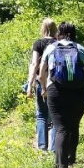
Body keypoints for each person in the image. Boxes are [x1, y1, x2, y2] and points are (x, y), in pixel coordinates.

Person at [39, 22, 84, 168]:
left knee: (61, 128)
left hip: (56, 91)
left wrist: (44, 88)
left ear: (59, 33)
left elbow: (42, 73)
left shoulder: (51, 48)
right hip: (79, 92)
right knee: (74, 124)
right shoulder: (80, 48)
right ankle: (71, 158)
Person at [26, 18, 57, 151]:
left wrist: (29, 85)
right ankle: (54, 148)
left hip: (40, 82)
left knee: (42, 115)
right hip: (55, 83)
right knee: (55, 115)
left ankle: (42, 146)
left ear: (43, 29)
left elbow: (34, 64)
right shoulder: (58, 43)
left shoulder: (38, 44)